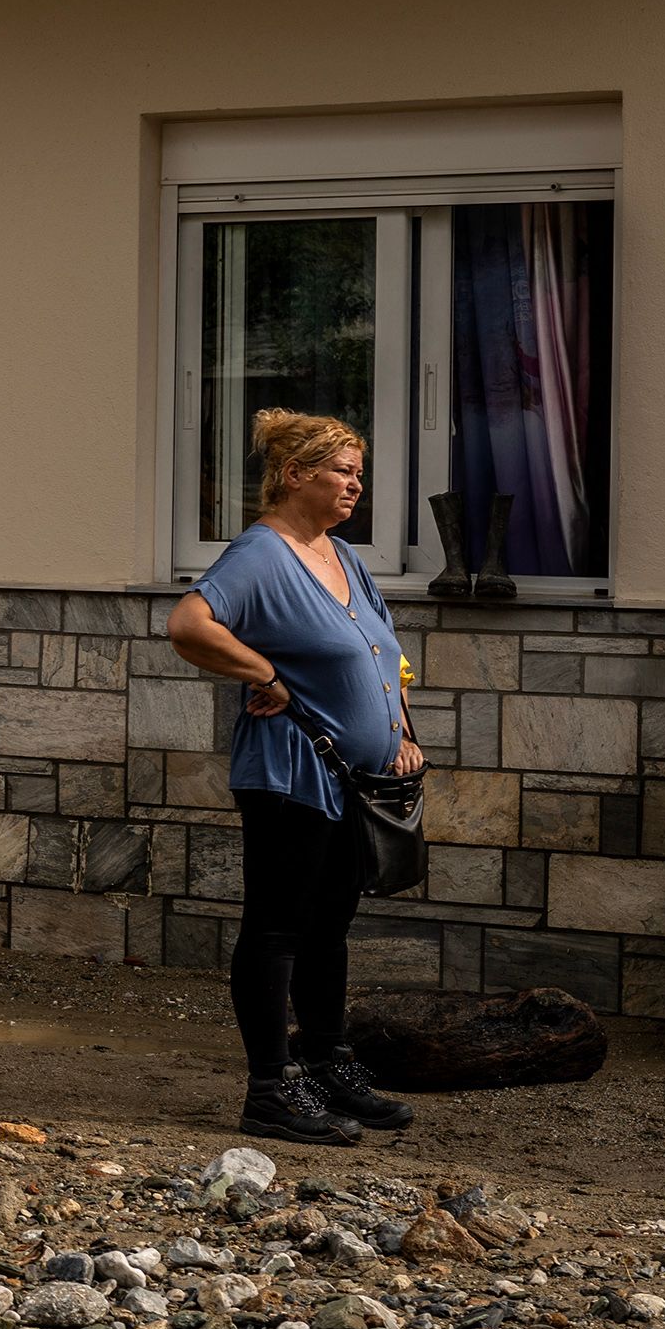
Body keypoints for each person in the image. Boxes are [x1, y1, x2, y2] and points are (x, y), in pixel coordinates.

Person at [167, 407, 423, 1148]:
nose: (356, 484)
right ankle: (270, 1090)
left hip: (353, 780)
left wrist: (401, 730)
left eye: (358, 471)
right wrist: (262, 670)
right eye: (343, 470)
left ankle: (327, 1063)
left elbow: (386, 650)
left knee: (328, 928)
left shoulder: (341, 555)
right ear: (295, 474)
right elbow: (189, 624)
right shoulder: (261, 554)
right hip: (290, 773)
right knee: (278, 929)